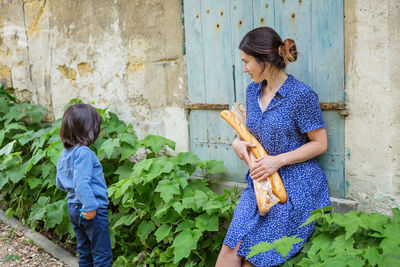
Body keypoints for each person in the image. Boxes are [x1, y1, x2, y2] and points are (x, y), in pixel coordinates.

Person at [215, 27, 330, 267]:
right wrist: (238, 143)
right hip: (259, 181)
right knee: (229, 251)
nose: (244, 68)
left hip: (295, 184)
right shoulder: (252, 90)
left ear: (264, 59)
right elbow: (250, 133)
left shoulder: (301, 94)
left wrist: (277, 161)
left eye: (247, 62)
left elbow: (320, 144)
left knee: (254, 261)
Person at [56, 103, 112, 267]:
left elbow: (60, 183)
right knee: (102, 255)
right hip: (91, 209)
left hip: (74, 208)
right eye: (96, 128)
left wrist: (75, 196)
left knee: (85, 252)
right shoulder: (84, 153)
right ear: (87, 130)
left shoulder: (65, 154)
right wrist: (90, 206)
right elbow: (81, 183)